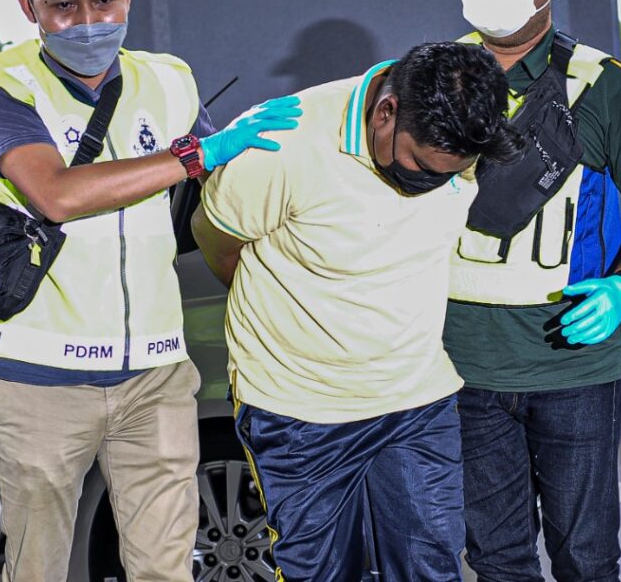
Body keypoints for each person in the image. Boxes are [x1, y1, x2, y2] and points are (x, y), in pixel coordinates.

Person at [0, 0, 300, 581]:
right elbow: (54, 193)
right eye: (64, 3)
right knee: (38, 568)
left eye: (104, 0)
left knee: (166, 569)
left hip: (157, 373)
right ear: (30, 7)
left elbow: (221, 184)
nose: (88, 19)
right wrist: (194, 153)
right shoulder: (1, 85)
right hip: (41, 376)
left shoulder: (168, 80)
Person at [192, 42, 524, 582]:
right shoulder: (288, 141)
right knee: (321, 574)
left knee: (430, 568)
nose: (430, 182)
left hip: (417, 398)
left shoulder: (460, 138)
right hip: (300, 407)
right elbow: (217, 239)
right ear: (385, 112)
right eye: (419, 166)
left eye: (448, 173)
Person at [443, 0, 621, 580]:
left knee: (584, 556)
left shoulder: (601, 84)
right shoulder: (435, 81)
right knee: (497, 560)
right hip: (464, 365)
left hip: (573, 362)